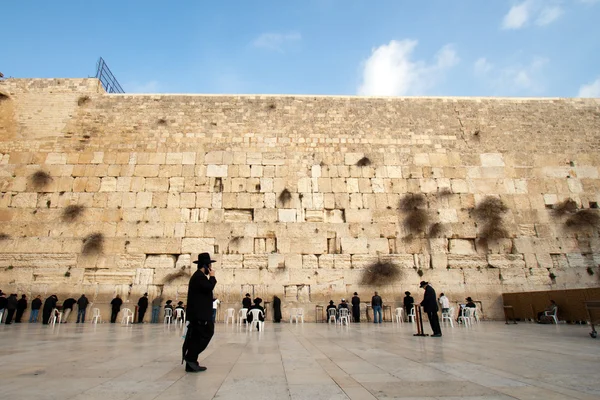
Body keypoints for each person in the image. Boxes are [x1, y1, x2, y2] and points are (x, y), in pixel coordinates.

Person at [182, 252, 217, 373]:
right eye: (209, 266)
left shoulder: (198, 277)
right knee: (207, 333)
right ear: (206, 266)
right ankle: (190, 358)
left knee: (196, 338)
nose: (211, 269)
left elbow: (203, 292)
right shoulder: (199, 277)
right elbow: (208, 287)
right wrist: (212, 276)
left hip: (198, 313)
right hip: (200, 315)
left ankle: (191, 363)